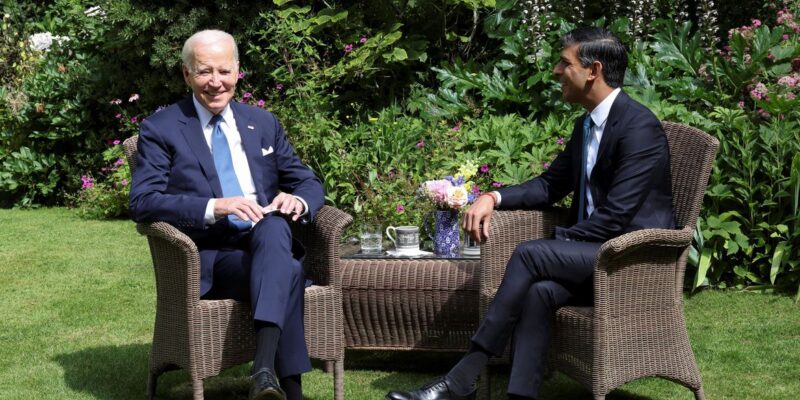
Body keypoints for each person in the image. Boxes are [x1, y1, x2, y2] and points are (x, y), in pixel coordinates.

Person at [386, 26, 675, 400]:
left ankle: (462, 378)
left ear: (593, 70)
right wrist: (493, 196)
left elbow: (618, 216)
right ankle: (519, 395)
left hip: (631, 256)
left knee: (530, 254)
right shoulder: (586, 125)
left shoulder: (639, 128)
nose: (556, 70)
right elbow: (550, 186)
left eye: (564, 62)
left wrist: (558, 241)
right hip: (593, 254)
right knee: (540, 292)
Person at [129, 29, 324, 400]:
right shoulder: (162, 128)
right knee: (292, 270)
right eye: (204, 72)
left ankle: (264, 372)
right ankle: (285, 386)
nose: (215, 83)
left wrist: (298, 202)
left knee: (273, 228)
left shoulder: (262, 122)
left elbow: (307, 181)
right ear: (187, 75)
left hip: (265, 242)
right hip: (212, 257)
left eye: (224, 71)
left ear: (238, 72)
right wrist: (214, 207)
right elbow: (143, 202)